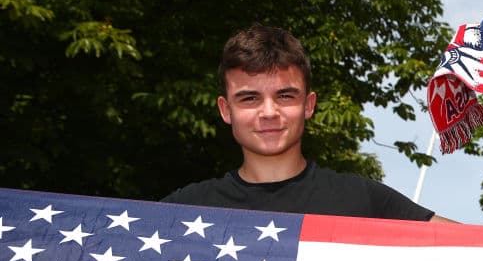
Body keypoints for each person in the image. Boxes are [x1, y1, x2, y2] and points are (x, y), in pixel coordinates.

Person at [163, 24, 454, 222]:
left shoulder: (361, 200)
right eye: (249, 98)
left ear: (309, 104)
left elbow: (477, 250)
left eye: (285, 95)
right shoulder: (183, 210)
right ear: (226, 110)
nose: (269, 112)